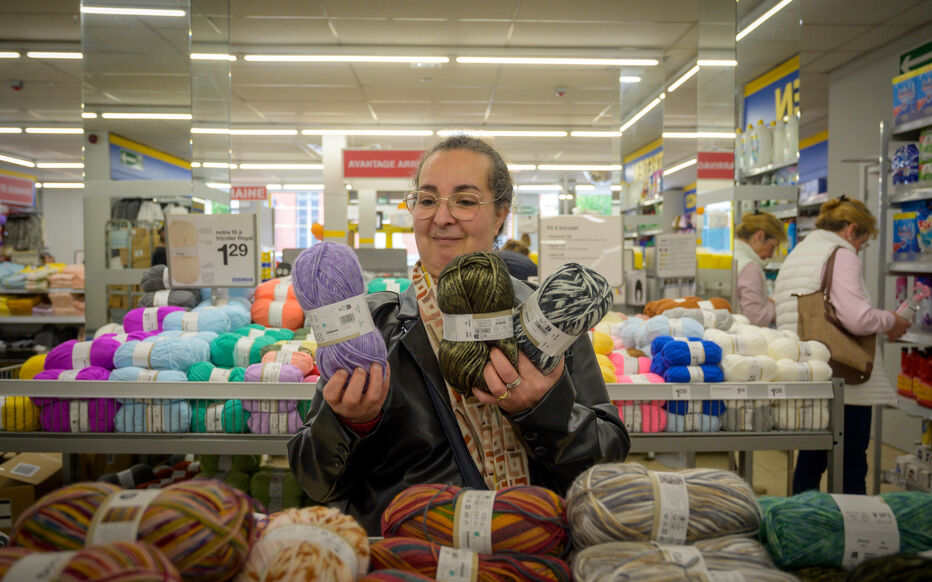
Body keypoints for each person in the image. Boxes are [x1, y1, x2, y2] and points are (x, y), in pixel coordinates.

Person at [288, 135, 630, 533]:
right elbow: (316, 482)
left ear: (501, 215)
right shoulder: (372, 327)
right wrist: (350, 423)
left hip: (530, 552)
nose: (442, 217)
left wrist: (544, 409)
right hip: (414, 560)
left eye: (465, 201)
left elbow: (606, 464)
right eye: (428, 199)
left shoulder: (548, 320)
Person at [773, 196, 910, 494]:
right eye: (863, 242)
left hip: (809, 371)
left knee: (811, 460)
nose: (859, 249)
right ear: (851, 230)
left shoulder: (799, 252)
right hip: (844, 376)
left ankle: (800, 525)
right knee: (850, 465)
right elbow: (858, 318)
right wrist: (890, 320)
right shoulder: (841, 254)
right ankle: (854, 534)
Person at [733, 211, 787, 326]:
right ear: (759, 237)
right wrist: (775, 304)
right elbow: (756, 319)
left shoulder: (729, 254)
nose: (770, 255)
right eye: (772, 246)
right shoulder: (749, 267)